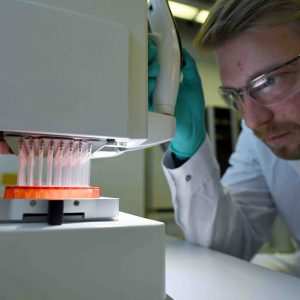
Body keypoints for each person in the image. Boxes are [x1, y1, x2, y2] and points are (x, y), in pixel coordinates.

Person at [149, 0, 300, 276]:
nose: (253, 121)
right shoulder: (258, 142)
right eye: (235, 95)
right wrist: (188, 150)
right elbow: (227, 248)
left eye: (269, 82)